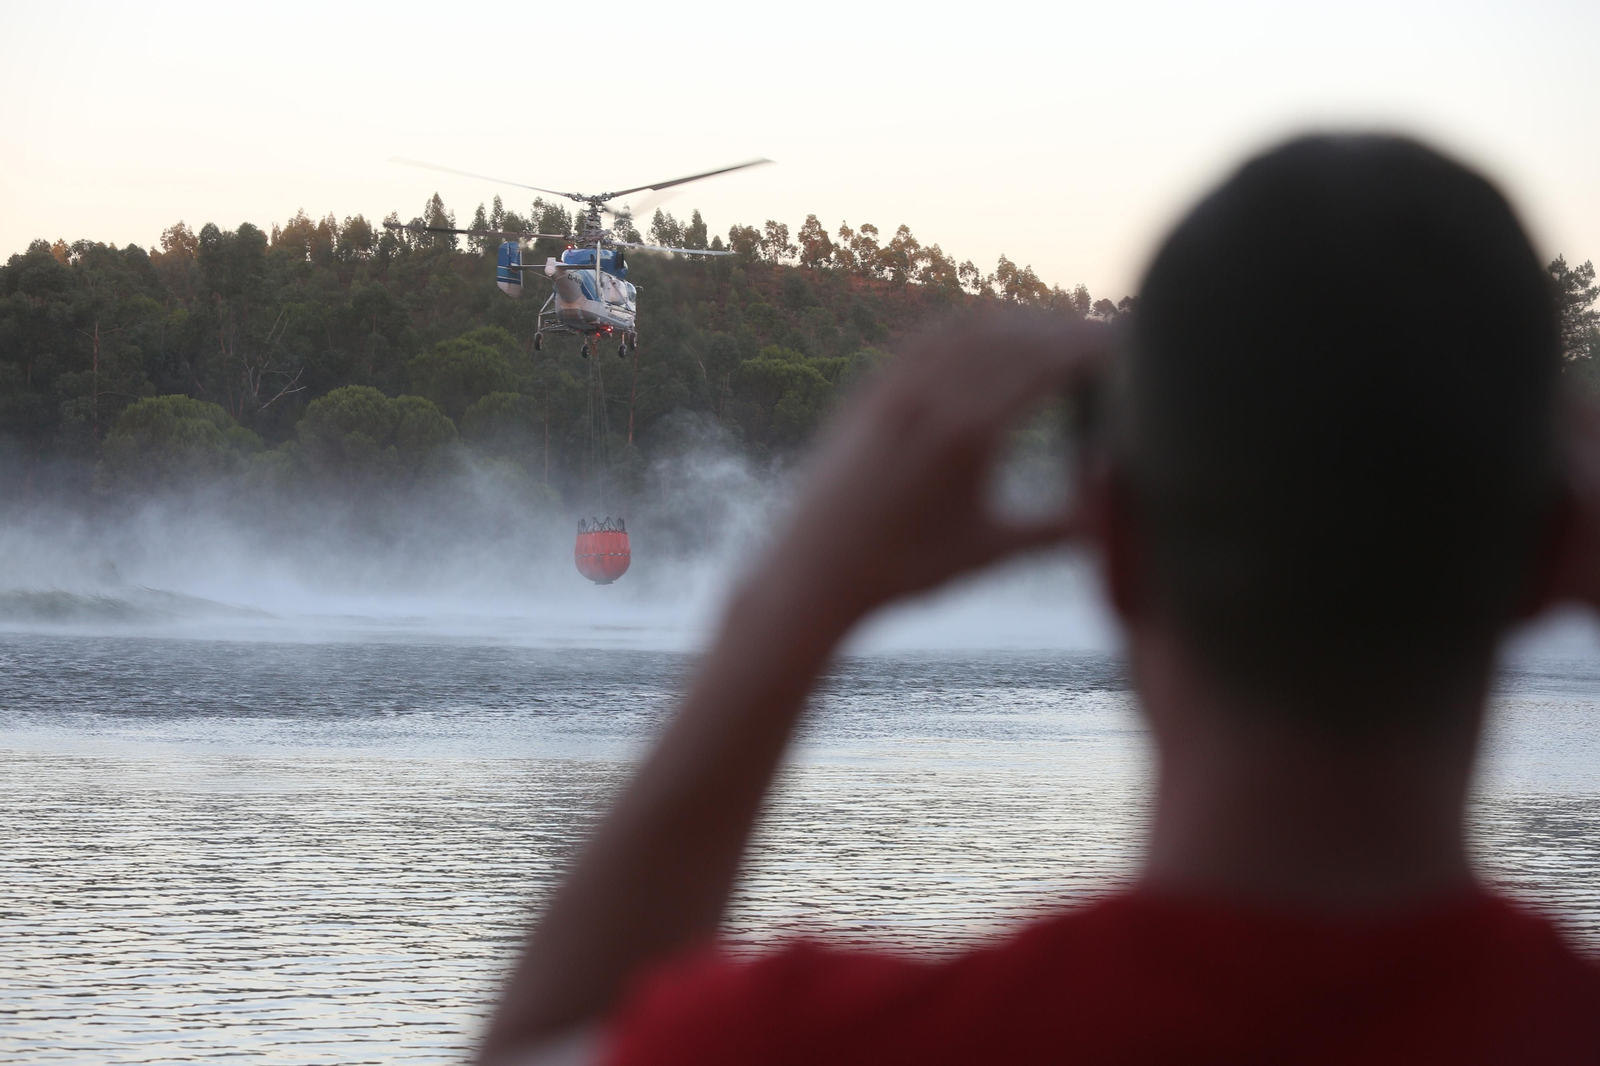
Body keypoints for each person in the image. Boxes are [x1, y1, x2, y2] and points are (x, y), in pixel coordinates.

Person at [477, 135, 1600, 1065]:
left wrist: (793, 600)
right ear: (1559, 554)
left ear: (1106, 543)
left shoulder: (826, 1038)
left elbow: (550, 1042)